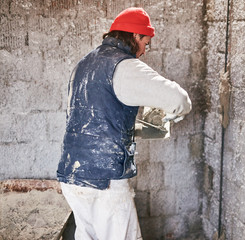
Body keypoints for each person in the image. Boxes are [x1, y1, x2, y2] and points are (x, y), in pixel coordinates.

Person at [56, 7, 192, 240]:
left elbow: (94, 121)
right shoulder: (125, 66)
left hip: (72, 177)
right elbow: (180, 100)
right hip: (104, 181)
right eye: (145, 43)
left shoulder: (83, 64)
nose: (144, 51)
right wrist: (173, 114)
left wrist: (139, 128)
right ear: (134, 36)